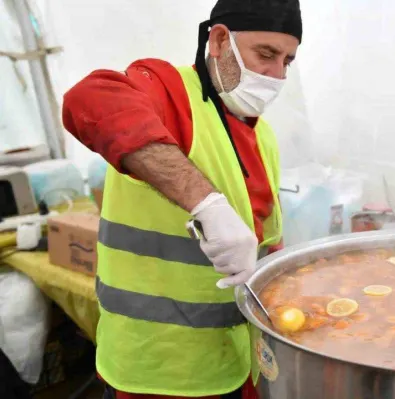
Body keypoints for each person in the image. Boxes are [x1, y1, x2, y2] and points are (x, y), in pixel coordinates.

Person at [62, 0, 302, 397]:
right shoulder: (168, 92)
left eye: (288, 62)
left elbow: (270, 246)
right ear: (220, 40)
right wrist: (207, 204)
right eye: (266, 54)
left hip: (236, 362)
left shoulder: (264, 137)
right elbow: (89, 99)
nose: (276, 75)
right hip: (157, 370)